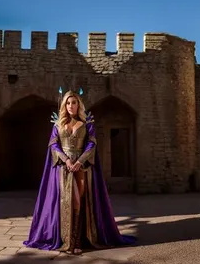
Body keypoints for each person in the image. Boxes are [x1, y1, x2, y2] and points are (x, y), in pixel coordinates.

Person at [23, 88, 137, 255]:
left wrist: (79, 161)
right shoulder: (58, 124)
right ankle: (67, 240)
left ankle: (76, 241)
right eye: (68, 103)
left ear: (79, 104)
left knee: (79, 202)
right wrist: (67, 160)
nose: (70, 106)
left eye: (74, 102)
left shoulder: (87, 124)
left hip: (82, 167)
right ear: (64, 105)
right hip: (63, 167)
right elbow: (53, 145)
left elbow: (92, 144)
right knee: (68, 201)